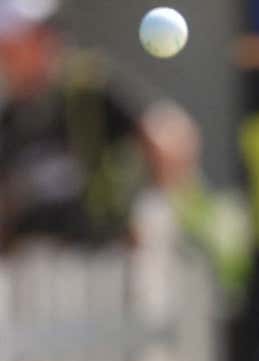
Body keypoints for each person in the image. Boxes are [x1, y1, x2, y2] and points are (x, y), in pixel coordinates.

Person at [0, 0, 198, 251]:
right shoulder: (10, 116)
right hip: (35, 272)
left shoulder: (89, 91)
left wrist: (154, 207)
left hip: (108, 264)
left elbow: (170, 136)